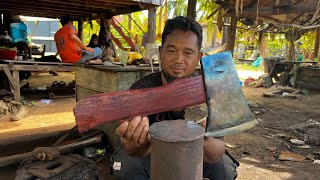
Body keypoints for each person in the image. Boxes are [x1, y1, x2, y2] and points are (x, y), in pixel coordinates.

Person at [110, 16, 239, 180]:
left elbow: (216, 151)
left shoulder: (212, 89)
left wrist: (203, 140)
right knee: (128, 167)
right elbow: (133, 149)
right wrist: (138, 147)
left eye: (188, 52)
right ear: (160, 52)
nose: (178, 60)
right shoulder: (141, 91)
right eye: (171, 51)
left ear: (199, 58)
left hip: (194, 150)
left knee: (224, 168)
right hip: (153, 152)